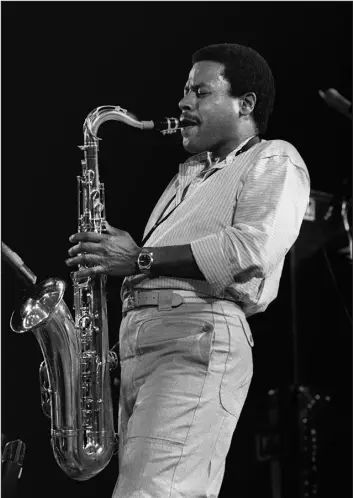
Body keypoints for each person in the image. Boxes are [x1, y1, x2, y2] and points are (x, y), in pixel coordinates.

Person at [66, 43, 310, 498]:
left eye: (200, 92)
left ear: (246, 104)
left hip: (196, 337)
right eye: (184, 91)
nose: (183, 103)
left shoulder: (274, 158)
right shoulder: (189, 176)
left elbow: (249, 247)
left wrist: (137, 258)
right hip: (150, 344)